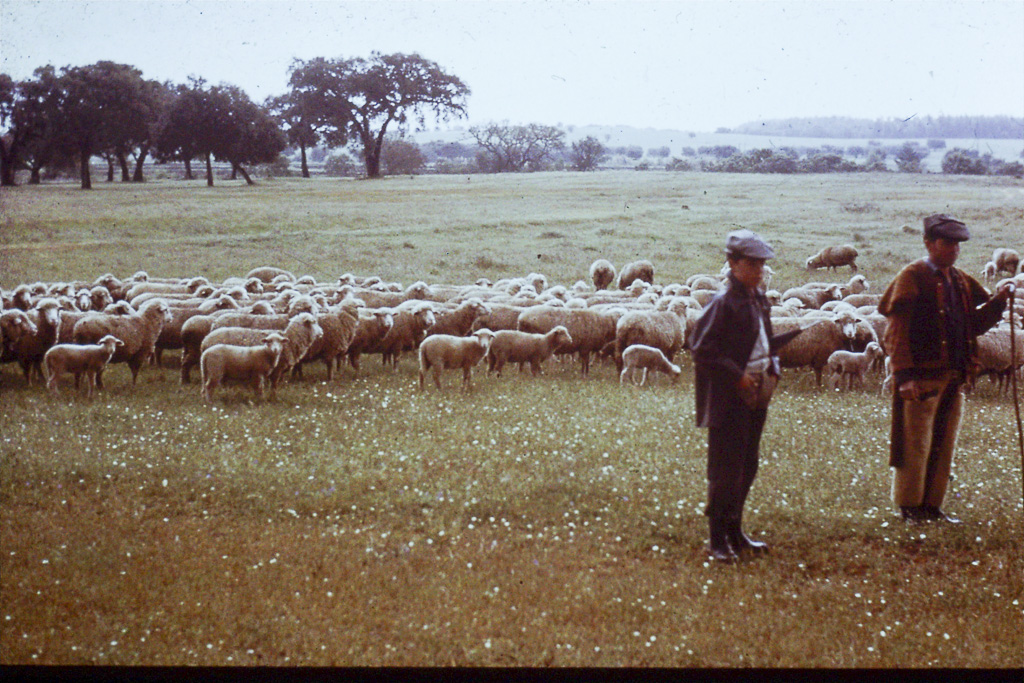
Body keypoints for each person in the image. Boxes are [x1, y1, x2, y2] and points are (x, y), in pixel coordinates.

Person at [878, 213, 1013, 524]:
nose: (954, 249)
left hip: (954, 375)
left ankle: (932, 506)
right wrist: (904, 376)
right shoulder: (911, 277)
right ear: (929, 243)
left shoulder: (960, 280)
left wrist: (998, 302)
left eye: (957, 244)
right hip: (922, 378)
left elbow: (974, 326)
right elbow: (895, 332)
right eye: (947, 243)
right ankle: (910, 507)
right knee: (916, 443)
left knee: (944, 441)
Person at [689, 229, 801, 562]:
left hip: (756, 393)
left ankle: (735, 531)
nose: (759, 271)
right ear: (732, 263)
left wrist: (774, 363)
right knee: (725, 468)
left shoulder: (758, 299)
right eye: (752, 264)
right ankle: (717, 539)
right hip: (729, 397)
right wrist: (736, 375)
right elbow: (702, 349)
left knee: (747, 464)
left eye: (762, 264)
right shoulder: (723, 304)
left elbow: (765, 339)